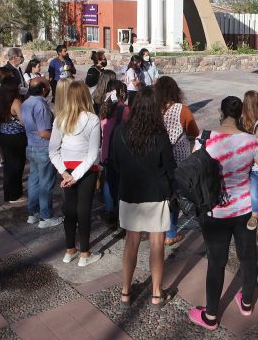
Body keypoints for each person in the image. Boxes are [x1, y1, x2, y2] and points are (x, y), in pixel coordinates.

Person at [189, 96, 258, 330]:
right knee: (248, 257)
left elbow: (193, 167)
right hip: (244, 211)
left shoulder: (205, 138)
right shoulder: (251, 141)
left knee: (216, 263)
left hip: (215, 212)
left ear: (221, 112)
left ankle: (210, 316)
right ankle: (247, 302)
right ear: (240, 115)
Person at [112, 87, 176, 306]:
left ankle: (125, 291)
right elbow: (170, 168)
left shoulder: (120, 132)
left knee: (131, 243)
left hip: (130, 192)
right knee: (157, 244)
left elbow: (115, 164)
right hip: (156, 194)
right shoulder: (160, 135)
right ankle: (157, 293)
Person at [49, 81, 102, 267]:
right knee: (83, 210)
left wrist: (65, 173)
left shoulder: (59, 118)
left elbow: (53, 151)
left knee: (69, 210)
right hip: (85, 170)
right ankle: (84, 253)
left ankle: (69, 250)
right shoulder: (92, 119)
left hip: (67, 169)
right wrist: (74, 175)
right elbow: (93, 153)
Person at [154, 76, 199, 245]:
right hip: (179, 158)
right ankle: (170, 233)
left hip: (157, 156)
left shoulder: (153, 108)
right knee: (174, 196)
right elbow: (194, 132)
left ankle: (156, 228)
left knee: (159, 195)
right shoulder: (182, 110)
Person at [22, 77, 63, 229]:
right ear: (44, 89)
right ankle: (46, 216)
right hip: (43, 147)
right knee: (46, 182)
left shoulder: (26, 102)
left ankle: (33, 213)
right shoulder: (41, 105)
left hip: (31, 146)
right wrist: (60, 139)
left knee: (34, 180)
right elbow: (44, 132)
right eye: (47, 86)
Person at [99, 80, 129, 224]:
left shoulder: (104, 108)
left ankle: (110, 211)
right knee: (121, 184)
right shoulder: (124, 109)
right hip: (119, 153)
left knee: (108, 182)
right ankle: (121, 214)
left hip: (106, 152)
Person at [0, 77, 27, 203]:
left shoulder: (0, 100)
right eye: (18, 86)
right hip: (16, 137)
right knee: (17, 166)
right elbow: (23, 121)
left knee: (8, 166)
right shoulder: (16, 102)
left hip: (3, 135)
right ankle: (15, 195)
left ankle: (9, 192)